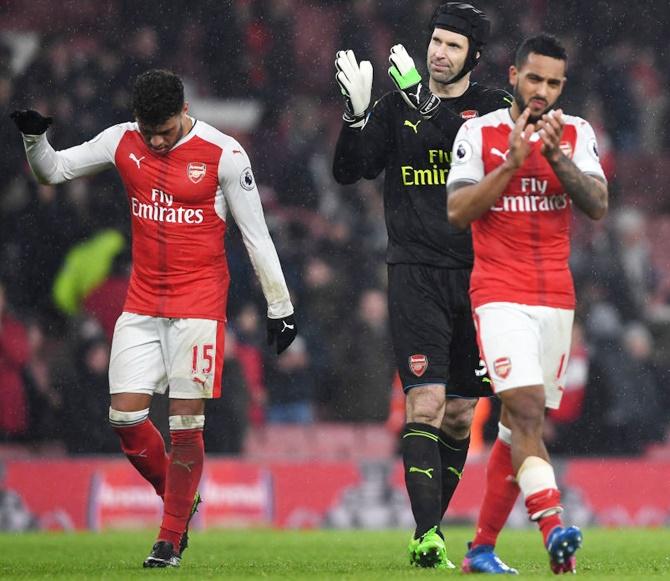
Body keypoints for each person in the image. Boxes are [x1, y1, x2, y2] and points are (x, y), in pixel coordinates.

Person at [11, 69, 297, 568]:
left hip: (199, 306)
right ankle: (181, 501)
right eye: (150, 131)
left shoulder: (225, 154)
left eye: (165, 130)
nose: (157, 140)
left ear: (185, 109)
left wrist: (281, 306)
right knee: (124, 419)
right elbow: (53, 171)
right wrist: (36, 139)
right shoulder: (123, 139)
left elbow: (256, 235)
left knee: (186, 425)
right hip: (141, 305)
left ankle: (168, 540)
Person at [332, 2, 513, 570]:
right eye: (435, 41)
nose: (439, 52)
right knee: (425, 401)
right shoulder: (398, 106)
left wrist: (422, 101)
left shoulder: (492, 109)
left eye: (453, 46)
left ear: (473, 57)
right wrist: (356, 118)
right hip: (414, 272)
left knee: (461, 416)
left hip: (479, 274)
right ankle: (428, 534)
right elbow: (349, 170)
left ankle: (428, 527)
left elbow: (467, 149)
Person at [447, 34, 608, 574]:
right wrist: (510, 165)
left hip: (556, 299)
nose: (542, 90)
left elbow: (597, 205)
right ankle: (554, 527)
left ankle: (481, 550)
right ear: (513, 76)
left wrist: (556, 156)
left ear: (562, 86)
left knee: (519, 431)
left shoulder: (577, 134)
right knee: (525, 410)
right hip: (498, 295)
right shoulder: (478, 132)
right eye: (533, 78)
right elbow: (458, 211)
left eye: (553, 82)